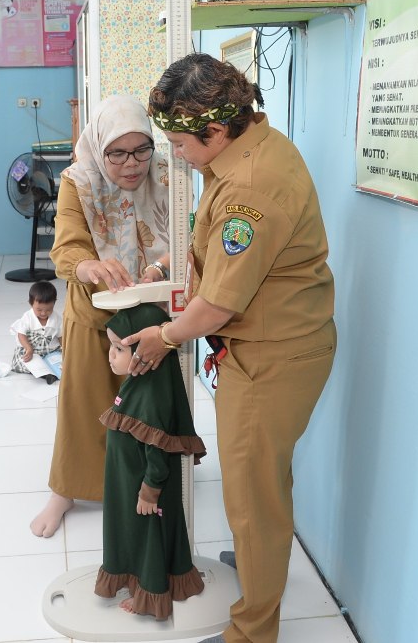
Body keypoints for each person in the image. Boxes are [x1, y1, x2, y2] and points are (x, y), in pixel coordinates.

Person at [123, 53, 337, 643]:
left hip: (271, 359)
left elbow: (219, 306)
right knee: (263, 486)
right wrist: (171, 266)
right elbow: (217, 252)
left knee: (252, 503)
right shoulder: (251, 147)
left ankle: (252, 632)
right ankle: (261, 566)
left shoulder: (250, 188)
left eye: (179, 144)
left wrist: (163, 338)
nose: (176, 154)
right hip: (275, 345)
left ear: (214, 130)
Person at [29, 95, 172, 538]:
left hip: (151, 314)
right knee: (84, 403)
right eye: (118, 153)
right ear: (98, 147)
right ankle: (67, 489)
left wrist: (162, 266)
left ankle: (148, 484)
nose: (132, 164)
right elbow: (67, 246)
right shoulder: (79, 181)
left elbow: (188, 233)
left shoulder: (168, 174)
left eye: (141, 150)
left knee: (147, 406)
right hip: (94, 311)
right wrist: (90, 266)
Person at [94, 303, 206, 621]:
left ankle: (151, 590)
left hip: (143, 487)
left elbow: (156, 447)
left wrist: (150, 489)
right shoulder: (135, 386)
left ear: (144, 355)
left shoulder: (152, 396)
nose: (111, 356)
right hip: (126, 481)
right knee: (131, 533)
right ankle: (135, 578)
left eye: (118, 349)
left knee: (147, 535)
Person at [10, 280, 63, 384]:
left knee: (62, 362)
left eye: (48, 309)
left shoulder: (57, 318)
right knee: (24, 362)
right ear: (31, 303)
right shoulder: (27, 317)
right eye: (39, 310)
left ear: (54, 303)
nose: (43, 313)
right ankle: (45, 374)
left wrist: (66, 350)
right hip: (32, 351)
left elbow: (61, 336)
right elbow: (21, 335)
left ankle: (51, 372)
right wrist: (28, 349)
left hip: (51, 351)